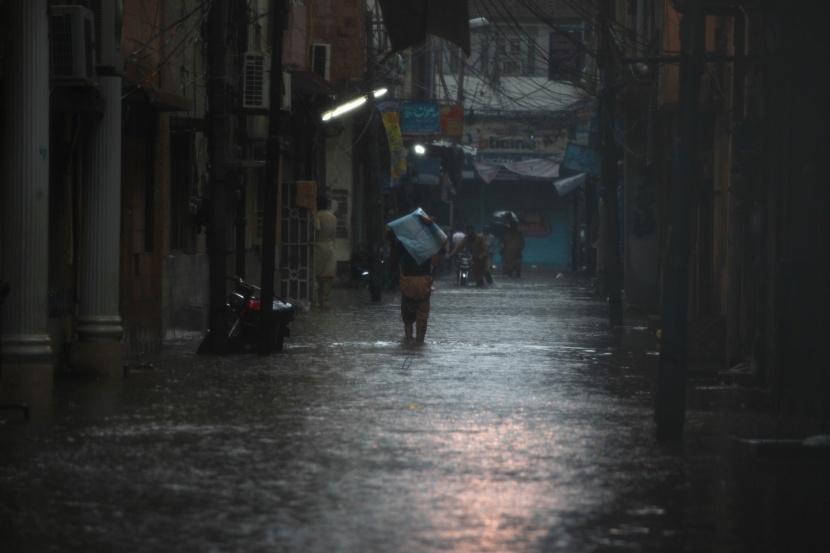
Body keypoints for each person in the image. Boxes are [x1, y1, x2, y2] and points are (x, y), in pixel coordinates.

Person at [389, 213, 445, 344]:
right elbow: (442, 245)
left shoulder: (404, 242)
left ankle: (408, 342)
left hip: (407, 282)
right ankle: (419, 343)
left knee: (407, 317)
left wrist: (392, 239)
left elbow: (393, 261)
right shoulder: (428, 242)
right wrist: (432, 226)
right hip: (423, 283)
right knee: (422, 316)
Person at [314, 194, 337, 308]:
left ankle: (318, 300)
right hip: (330, 248)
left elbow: (317, 228)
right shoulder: (333, 217)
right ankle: (324, 297)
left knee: (317, 275)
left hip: (318, 248)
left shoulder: (317, 216)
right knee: (329, 276)